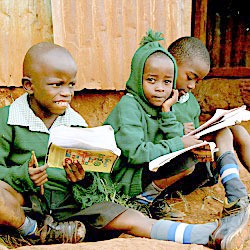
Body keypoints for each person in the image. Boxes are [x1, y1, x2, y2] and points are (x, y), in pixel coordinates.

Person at [0, 38, 248, 250]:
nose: (66, 93)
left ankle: (210, 234)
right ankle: (35, 230)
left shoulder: (76, 124)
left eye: (71, 85)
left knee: (130, 218)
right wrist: (23, 175)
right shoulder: (9, 118)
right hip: (25, 202)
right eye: (57, 85)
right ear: (29, 85)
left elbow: (94, 184)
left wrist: (82, 179)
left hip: (69, 209)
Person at [167, 36, 250, 196]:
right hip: (172, 172)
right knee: (223, 133)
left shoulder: (189, 101)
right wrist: (179, 130)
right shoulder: (158, 96)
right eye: (189, 78)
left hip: (194, 162)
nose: (192, 86)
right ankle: (235, 192)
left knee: (236, 130)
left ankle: (233, 186)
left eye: (197, 81)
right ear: (171, 63)